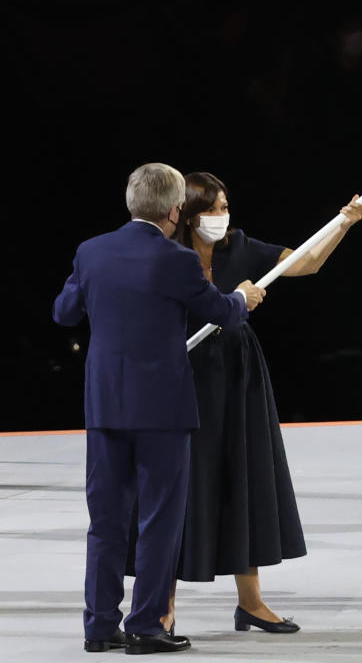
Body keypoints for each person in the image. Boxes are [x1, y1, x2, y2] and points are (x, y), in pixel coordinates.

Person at [53, 163, 265, 654]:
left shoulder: (91, 251)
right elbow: (221, 312)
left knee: (105, 521)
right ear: (174, 211)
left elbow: (64, 312)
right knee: (159, 520)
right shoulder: (177, 260)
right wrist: (244, 296)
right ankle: (147, 626)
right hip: (164, 411)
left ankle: (100, 626)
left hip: (105, 406)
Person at [167, 171, 362, 633]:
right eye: (213, 209)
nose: (223, 216)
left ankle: (251, 603)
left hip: (237, 374)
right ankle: (163, 604)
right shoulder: (169, 256)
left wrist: (344, 224)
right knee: (181, 481)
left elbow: (305, 263)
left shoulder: (237, 245)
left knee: (242, 472)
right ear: (190, 215)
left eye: (225, 207)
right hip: (186, 373)